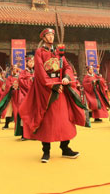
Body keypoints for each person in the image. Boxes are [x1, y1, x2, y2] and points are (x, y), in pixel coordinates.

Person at [19, 28, 87, 163]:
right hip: (48, 91)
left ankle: (65, 148)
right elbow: (39, 71)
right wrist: (52, 85)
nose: (51, 37)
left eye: (52, 35)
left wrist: (67, 76)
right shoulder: (40, 52)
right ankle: (46, 151)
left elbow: (67, 66)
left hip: (61, 88)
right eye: (48, 35)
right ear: (43, 38)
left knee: (64, 120)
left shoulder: (58, 52)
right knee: (47, 121)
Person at [15, 55, 35, 139]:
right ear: (26, 63)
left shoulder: (36, 72)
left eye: (33, 62)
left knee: (34, 115)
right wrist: (30, 81)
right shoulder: (23, 72)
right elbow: (20, 81)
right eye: (30, 62)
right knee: (24, 114)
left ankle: (33, 133)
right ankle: (24, 134)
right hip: (25, 95)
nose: (31, 63)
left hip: (34, 96)